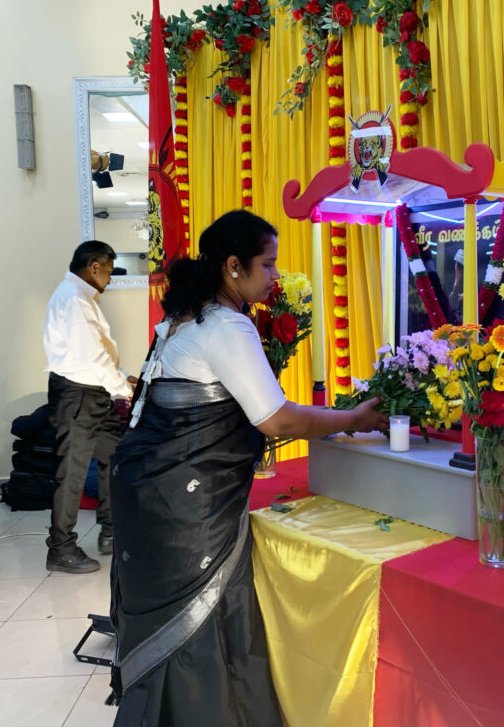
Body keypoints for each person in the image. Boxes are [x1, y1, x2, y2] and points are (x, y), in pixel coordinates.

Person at [110, 210, 388, 726]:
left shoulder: (182, 318)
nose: (275, 277)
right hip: (187, 508)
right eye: (268, 264)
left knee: (172, 618)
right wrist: (353, 418)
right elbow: (276, 419)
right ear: (234, 266)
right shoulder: (226, 326)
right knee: (202, 619)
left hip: (146, 492)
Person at [43, 241, 135, 574]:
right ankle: (61, 548)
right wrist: (124, 388)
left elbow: (96, 354)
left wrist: (122, 378)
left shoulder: (81, 297)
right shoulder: (74, 300)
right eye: (108, 272)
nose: (109, 279)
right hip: (79, 395)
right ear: (94, 267)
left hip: (94, 392)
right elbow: (92, 358)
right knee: (73, 472)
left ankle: (111, 532)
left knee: (113, 458)